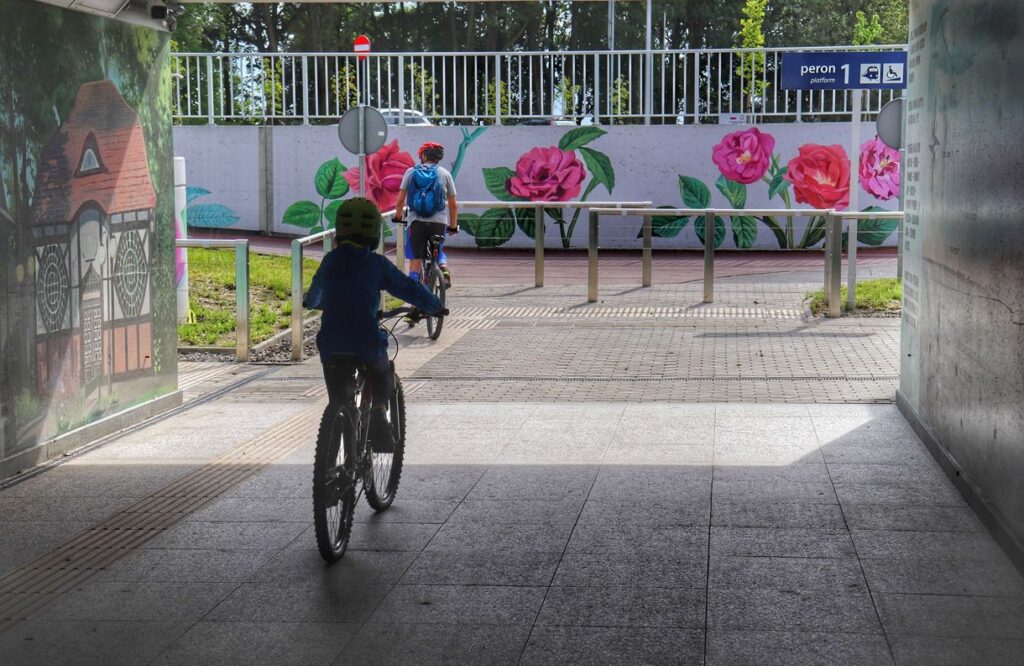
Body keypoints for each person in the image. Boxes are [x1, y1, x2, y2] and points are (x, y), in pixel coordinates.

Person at [304, 197, 442, 453]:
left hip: (331, 342)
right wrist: (435, 306)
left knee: (338, 399)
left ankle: (331, 458)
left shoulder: (330, 261)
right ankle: (379, 412)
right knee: (383, 370)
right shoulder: (376, 264)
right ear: (374, 233)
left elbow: (314, 296)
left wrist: (310, 302)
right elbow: (408, 288)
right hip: (365, 340)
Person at [393, 141, 458, 289]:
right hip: (439, 222)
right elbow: (453, 205)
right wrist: (453, 226)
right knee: (438, 248)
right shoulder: (445, 173)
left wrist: (398, 217)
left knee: (416, 260)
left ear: (423, 155)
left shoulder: (411, 172)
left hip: (416, 223)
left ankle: (414, 300)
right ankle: (443, 268)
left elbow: (400, 201)